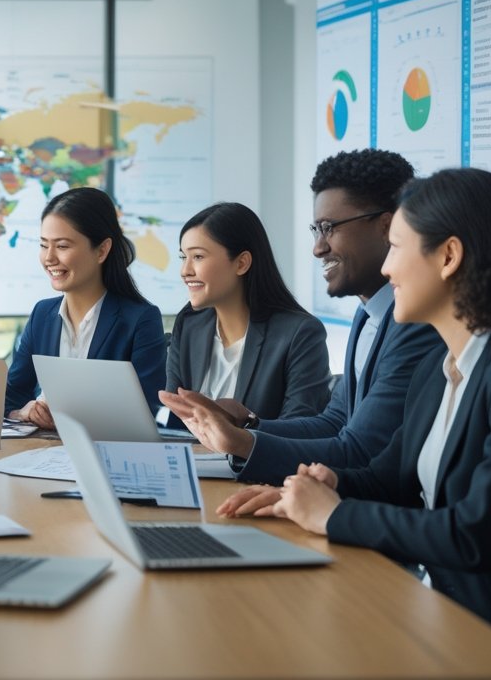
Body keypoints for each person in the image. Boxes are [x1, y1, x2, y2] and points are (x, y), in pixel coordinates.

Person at [232, 168, 491, 622]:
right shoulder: (436, 368)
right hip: (445, 610)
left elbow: (473, 533)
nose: (386, 267)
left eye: (397, 247)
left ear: (448, 256)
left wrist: (332, 516)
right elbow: (391, 481)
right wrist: (317, 489)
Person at [162, 149, 440, 484]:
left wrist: (242, 442)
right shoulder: (367, 317)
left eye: (329, 228)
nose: (318, 247)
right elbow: (334, 422)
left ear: (386, 227)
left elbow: (359, 450)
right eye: (316, 230)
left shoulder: (413, 326)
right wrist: (248, 422)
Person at [158, 202, 329, 429]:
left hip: (256, 464)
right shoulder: (189, 323)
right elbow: (172, 418)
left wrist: (248, 424)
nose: (185, 271)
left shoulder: (300, 334)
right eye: (183, 257)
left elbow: (301, 430)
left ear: (241, 263)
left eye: (198, 257)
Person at [5, 187, 165, 428]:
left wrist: (65, 420)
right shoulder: (42, 314)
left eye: (62, 246)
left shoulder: (140, 319)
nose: (49, 258)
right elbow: (11, 396)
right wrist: (23, 412)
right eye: (43, 245)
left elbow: (148, 412)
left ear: (102, 250)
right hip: (39, 453)